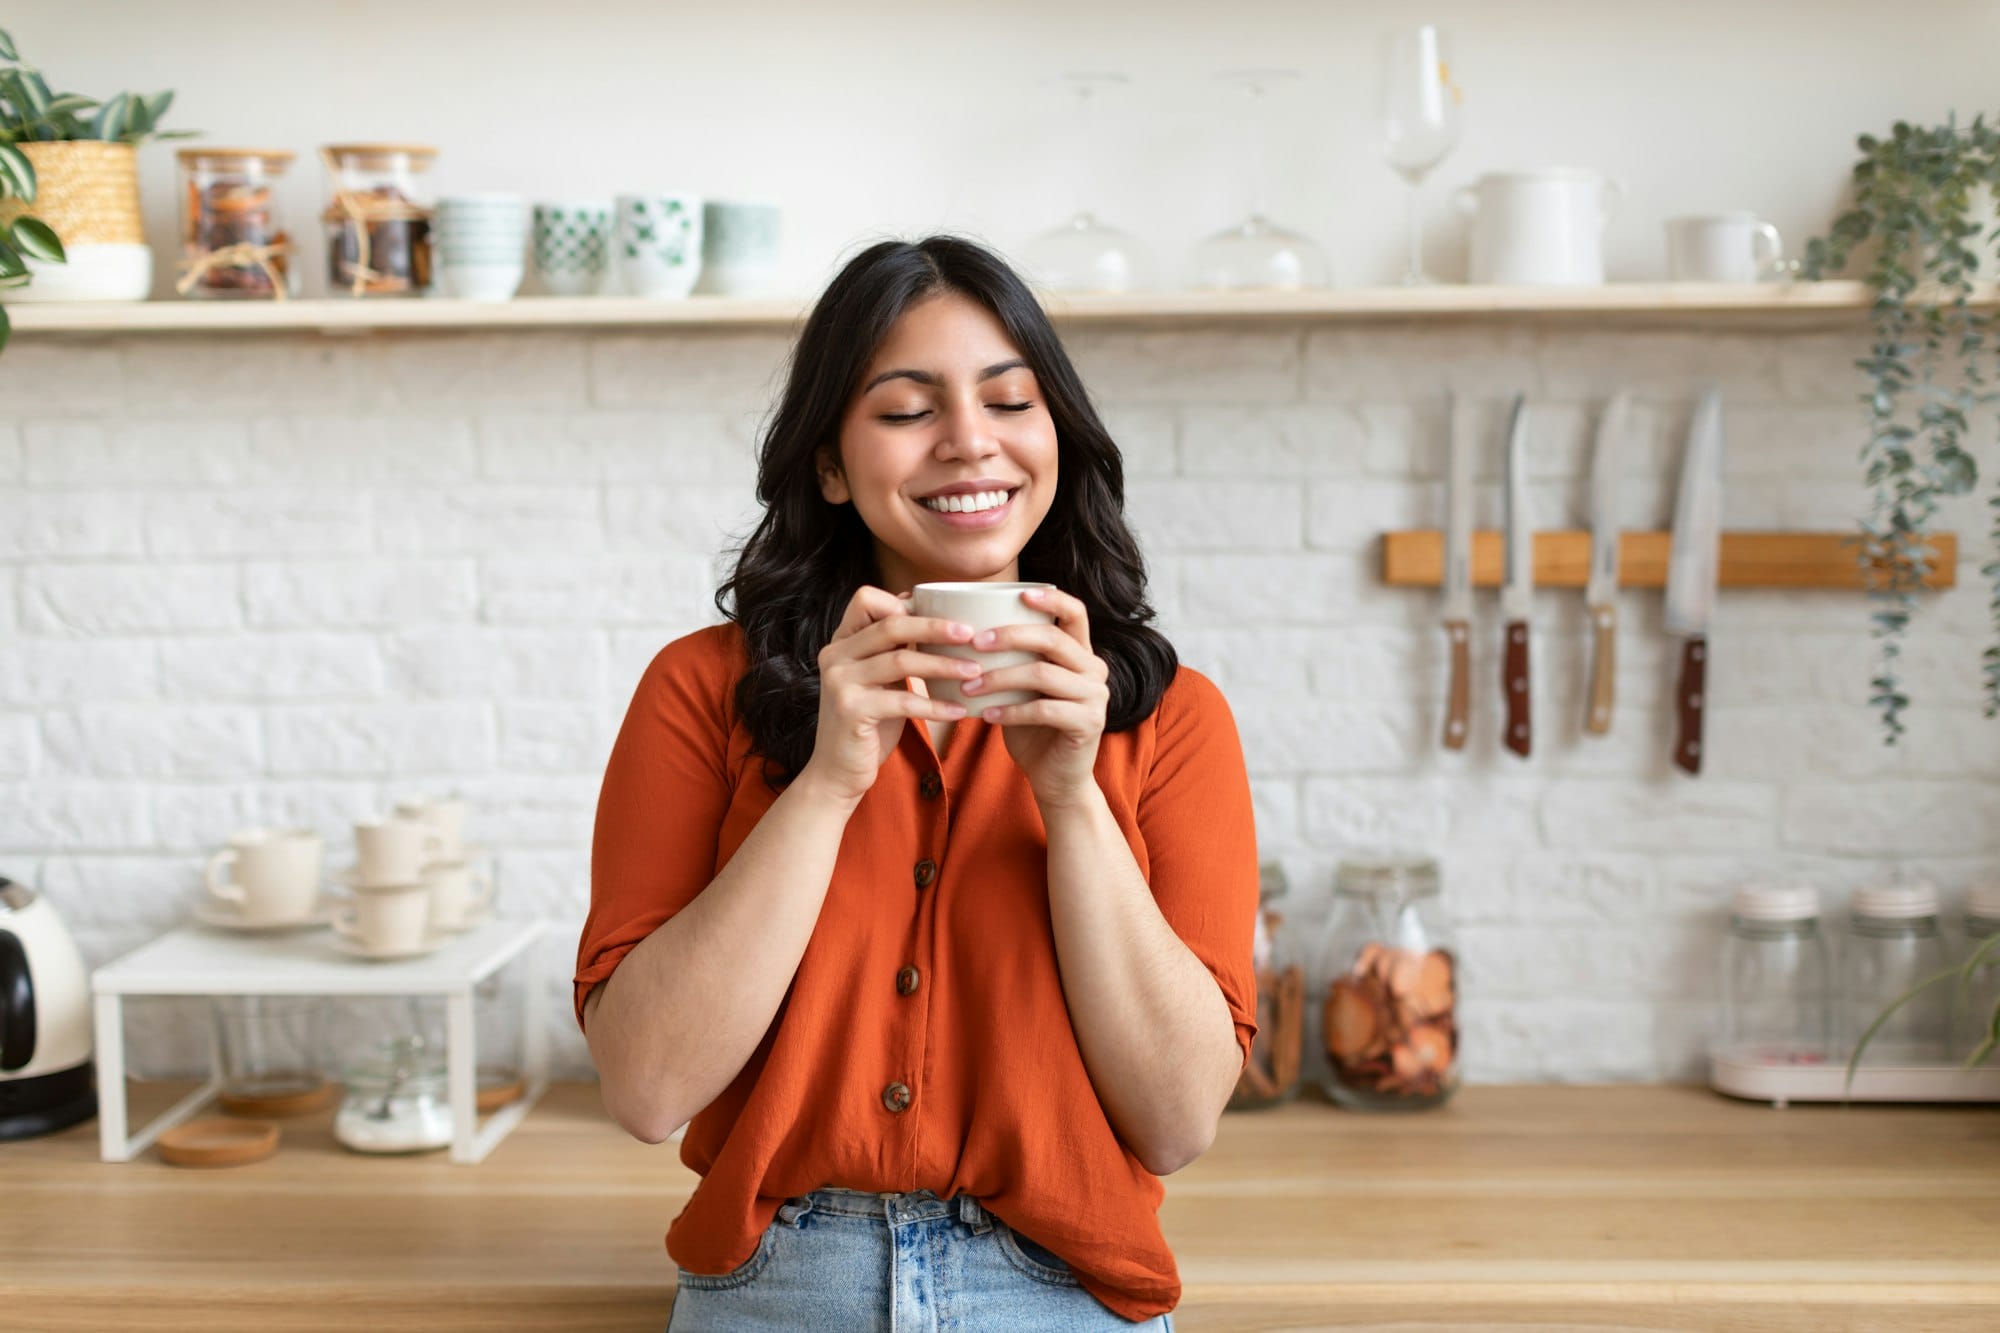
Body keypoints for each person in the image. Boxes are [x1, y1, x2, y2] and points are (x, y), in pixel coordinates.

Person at [574, 234, 1260, 1331]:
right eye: (905, 411)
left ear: (1057, 441)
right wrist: (830, 782)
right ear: (831, 464)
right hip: (776, 1284)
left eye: (1009, 401)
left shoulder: (1170, 719)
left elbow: (1176, 1118)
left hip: (1062, 1286)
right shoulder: (699, 690)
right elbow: (648, 1089)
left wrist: (1072, 800)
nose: (968, 442)